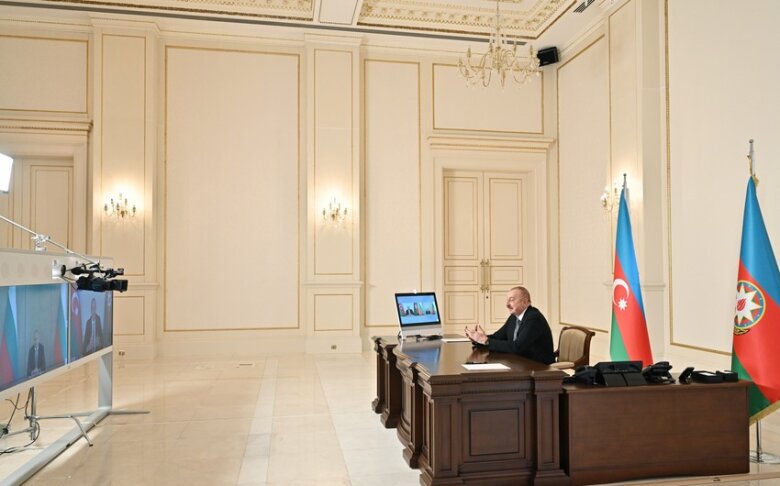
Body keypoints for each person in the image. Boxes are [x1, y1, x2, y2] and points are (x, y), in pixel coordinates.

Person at [464, 286, 555, 365]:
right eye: (507, 300)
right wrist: (479, 339)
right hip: (520, 363)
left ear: (524, 302)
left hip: (539, 368)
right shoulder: (514, 317)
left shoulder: (534, 318)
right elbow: (497, 337)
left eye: (511, 300)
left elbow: (517, 347)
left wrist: (486, 341)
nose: (507, 304)